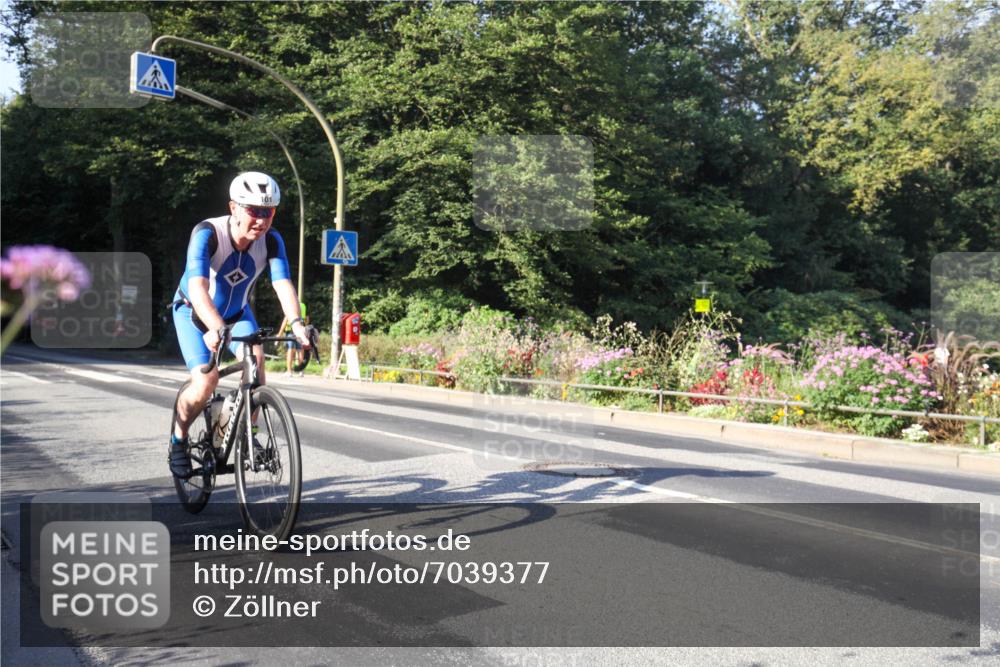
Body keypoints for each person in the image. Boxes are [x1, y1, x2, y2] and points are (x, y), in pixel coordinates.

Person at [168, 171, 309, 477]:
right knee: (206, 382)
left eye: (268, 212)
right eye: (254, 211)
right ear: (234, 208)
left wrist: (297, 324)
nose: (262, 220)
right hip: (194, 313)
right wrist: (214, 326)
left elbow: (283, 284)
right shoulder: (207, 233)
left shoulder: (271, 241)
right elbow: (198, 288)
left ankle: (250, 435)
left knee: (256, 366)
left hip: (236, 315)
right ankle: (178, 441)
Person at [278, 303, 309, 377]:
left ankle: (289, 371)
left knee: (290, 350)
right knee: (300, 351)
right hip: (300, 331)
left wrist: (279, 334)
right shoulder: (303, 306)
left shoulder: (290, 304)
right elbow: (307, 318)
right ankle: (301, 371)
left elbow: (286, 320)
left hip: (291, 332)